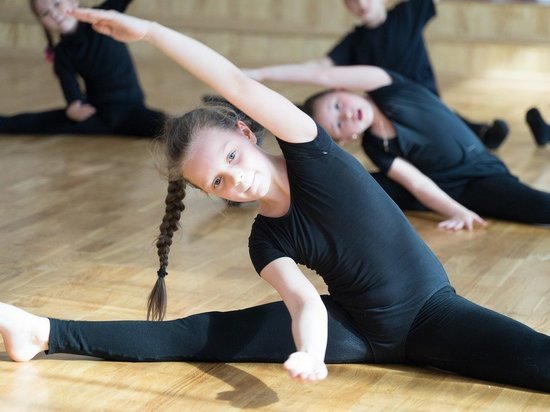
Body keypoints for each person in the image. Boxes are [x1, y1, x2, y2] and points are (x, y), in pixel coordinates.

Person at [1, 8, 549, 392]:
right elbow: (305, 304)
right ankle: (42, 332)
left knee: (536, 361)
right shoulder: (266, 239)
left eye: (231, 161)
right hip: (354, 330)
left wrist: (148, 31)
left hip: (432, 314)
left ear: (247, 132)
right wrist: (310, 353)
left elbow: (234, 81)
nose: (232, 182)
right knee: (197, 334)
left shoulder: (314, 153)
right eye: (215, 182)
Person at [250, 62, 550, 229]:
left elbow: (321, 74)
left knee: (538, 207)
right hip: (454, 190)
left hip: (483, 173)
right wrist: (456, 211)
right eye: (340, 124)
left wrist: (261, 74)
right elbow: (417, 182)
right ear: (345, 138)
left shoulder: (386, 84)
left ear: (344, 89)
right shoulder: (377, 148)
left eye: (339, 104)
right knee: (360, 183)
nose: (346, 114)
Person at [244, 0, 509, 150]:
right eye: (351, 0)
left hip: (428, 100)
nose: (360, 3)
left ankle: (481, 134)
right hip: (395, 112)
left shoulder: (408, 12)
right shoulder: (355, 41)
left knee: (451, 123)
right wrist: (258, 73)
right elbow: (319, 69)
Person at [0, 0, 165, 137]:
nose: (54, 14)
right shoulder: (62, 53)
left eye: (57, 4)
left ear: (73, 1)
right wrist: (74, 107)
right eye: (45, 13)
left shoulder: (101, 15)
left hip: (132, 110)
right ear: (42, 23)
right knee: (36, 122)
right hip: (98, 115)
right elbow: (71, 91)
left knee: (167, 126)